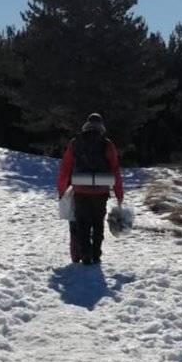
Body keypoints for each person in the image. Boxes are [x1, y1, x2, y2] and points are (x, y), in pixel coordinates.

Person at [57, 113, 124, 264]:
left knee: (83, 223)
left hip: (80, 189)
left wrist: (61, 189)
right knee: (97, 223)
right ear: (101, 127)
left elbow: (65, 167)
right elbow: (115, 169)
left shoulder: (75, 142)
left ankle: (85, 255)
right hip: (101, 190)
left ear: (86, 125)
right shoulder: (107, 144)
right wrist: (119, 194)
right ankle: (96, 255)